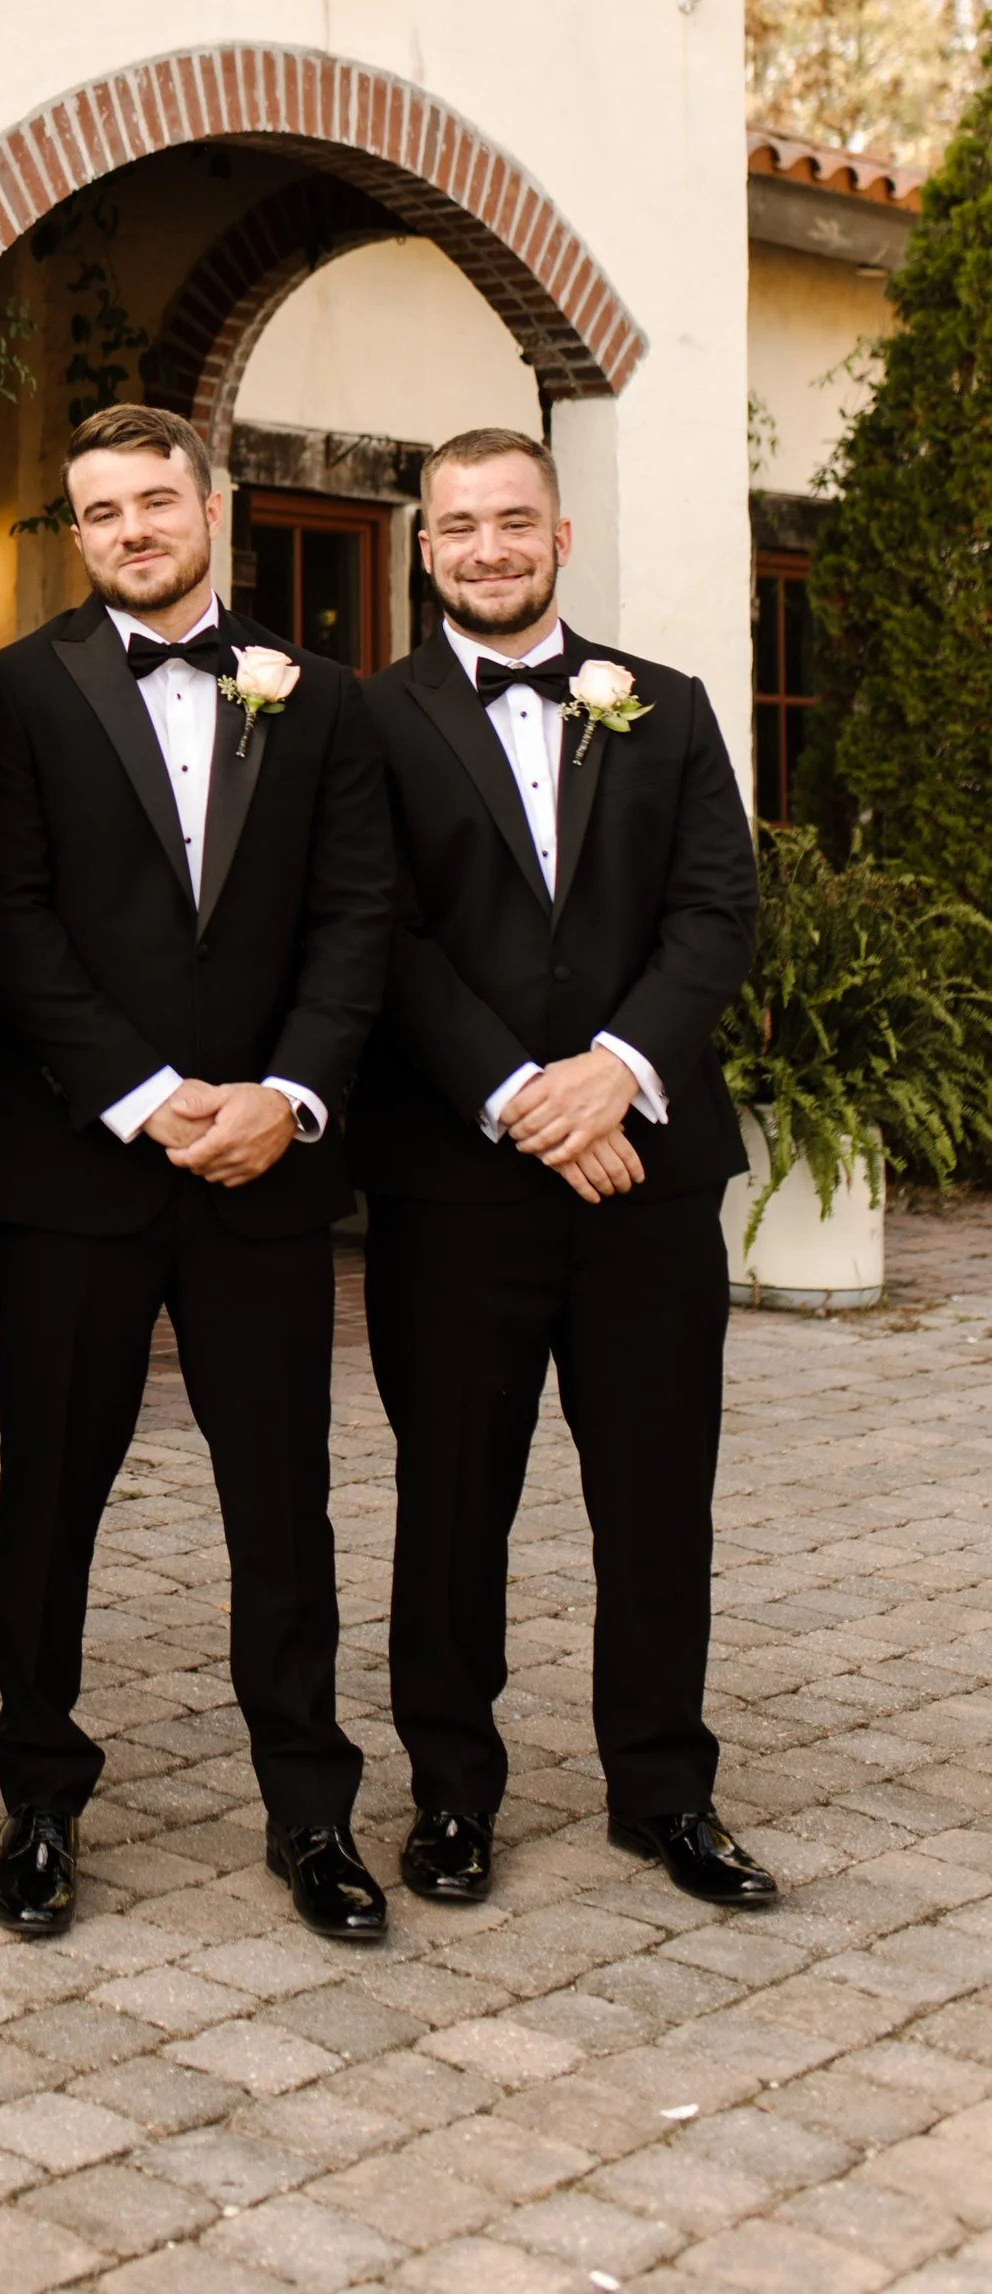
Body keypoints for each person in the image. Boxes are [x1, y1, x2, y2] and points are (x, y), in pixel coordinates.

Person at [0, 404, 395, 1947]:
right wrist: (145, 1099)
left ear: (214, 504)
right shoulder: (10, 693)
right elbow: (6, 917)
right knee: (47, 1499)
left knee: (282, 1499)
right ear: (76, 534)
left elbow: (360, 918)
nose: (133, 528)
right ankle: (35, 1800)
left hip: (267, 1171)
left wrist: (288, 1094)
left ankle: (313, 1807)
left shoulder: (326, 700)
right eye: (102, 511)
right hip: (80, 1164)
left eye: (158, 498)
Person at [354, 424, 771, 1910]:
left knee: (658, 1495)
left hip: (646, 1172)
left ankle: (664, 1789)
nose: (486, 547)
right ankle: (451, 1794)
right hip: (455, 1184)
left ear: (559, 534)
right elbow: (379, 934)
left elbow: (716, 914)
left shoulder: (667, 706)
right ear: (423, 546)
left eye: (511, 520)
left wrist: (616, 1075)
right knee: (452, 1496)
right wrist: (525, 1094)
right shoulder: (370, 720)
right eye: (457, 525)